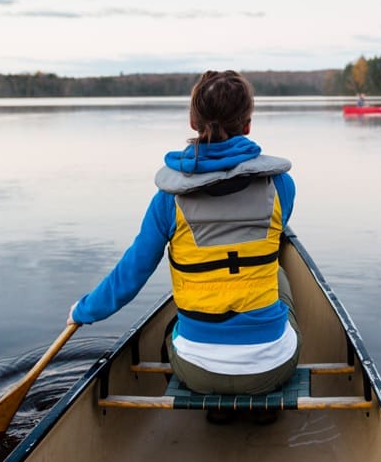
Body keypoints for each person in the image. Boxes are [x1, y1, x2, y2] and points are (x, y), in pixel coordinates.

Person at [68, 70, 301, 410]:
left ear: (193, 122)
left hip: (197, 371)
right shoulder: (281, 188)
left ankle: (214, 409)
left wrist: (83, 310)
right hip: (271, 368)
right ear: (248, 124)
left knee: (174, 325)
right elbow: (272, 234)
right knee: (279, 274)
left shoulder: (168, 200)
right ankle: (262, 411)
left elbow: (131, 274)